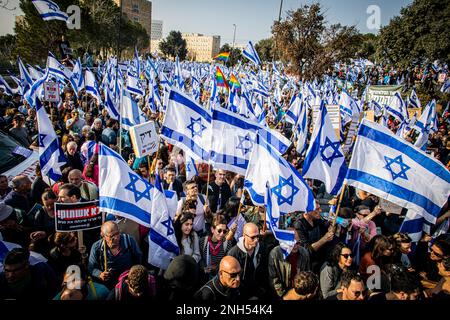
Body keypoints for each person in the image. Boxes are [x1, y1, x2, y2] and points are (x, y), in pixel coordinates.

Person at [88, 221, 142, 289]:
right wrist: (100, 274)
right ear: (103, 236)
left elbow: (138, 259)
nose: (116, 238)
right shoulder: (97, 247)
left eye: (117, 233)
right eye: (111, 236)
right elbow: (91, 268)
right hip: (107, 286)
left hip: (127, 283)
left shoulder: (129, 241)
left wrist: (133, 273)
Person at [228, 222, 269, 300]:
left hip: (260, 293)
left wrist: (260, 293)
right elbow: (231, 281)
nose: (256, 240)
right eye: (252, 237)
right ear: (244, 235)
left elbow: (265, 273)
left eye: (258, 236)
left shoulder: (262, 248)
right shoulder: (233, 254)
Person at [268, 228, 311, 299]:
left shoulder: (304, 253)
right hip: (282, 293)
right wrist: (284, 296)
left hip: (300, 291)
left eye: (298, 243)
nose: (296, 246)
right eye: (292, 244)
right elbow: (274, 279)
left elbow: (307, 274)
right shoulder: (275, 254)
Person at [294, 200, 335, 273]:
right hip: (309, 266)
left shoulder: (317, 220)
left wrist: (331, 225)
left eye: (320, 208)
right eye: (317, 209)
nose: (320, 210)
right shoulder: (299, 225)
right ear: (307, 211)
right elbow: (306, 251)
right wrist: (324, 239)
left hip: (322, 261)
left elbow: (325, 228)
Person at [199, 215, 235, 280]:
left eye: (224, 231)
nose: (222, 234)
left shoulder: (227, 244)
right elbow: (199, 258)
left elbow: (227, 262)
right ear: (212, 229)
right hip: (204, 278)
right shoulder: (203, 241)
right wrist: (203, 268)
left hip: (219, 278)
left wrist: (216, 267)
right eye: (219, 230)